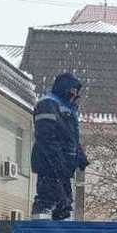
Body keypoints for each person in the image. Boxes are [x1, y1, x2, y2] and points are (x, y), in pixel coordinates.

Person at [31, 72, 89, 220]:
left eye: (76, 91)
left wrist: (79, 154)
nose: (75, 93)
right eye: (73, 90)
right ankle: (40, 232)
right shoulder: (48, 104)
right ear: (65, 88)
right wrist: (57, 160)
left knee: (64, 203)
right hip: (49, 164)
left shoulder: (68, 109)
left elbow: (71, 138)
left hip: (63, 167)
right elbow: (46, 137)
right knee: (48, 199)